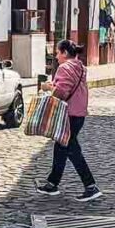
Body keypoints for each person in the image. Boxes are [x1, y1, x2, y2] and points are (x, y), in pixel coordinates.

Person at [36, 40, 103, 202]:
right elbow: (67, 85)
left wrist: (47, 88)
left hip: (69, 113)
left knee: (72, 150)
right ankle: (52, 183)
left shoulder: (65, 67)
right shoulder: (79, 66)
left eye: (58, 53)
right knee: (61, 148)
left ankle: (90, 186)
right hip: (78, 112)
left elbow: (62, 92)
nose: (57, 57)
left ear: (65, 53)